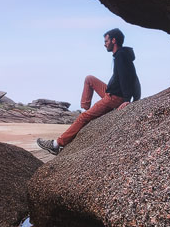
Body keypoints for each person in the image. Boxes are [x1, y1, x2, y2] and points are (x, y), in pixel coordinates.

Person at [37, 28, 140, 156]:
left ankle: (56, 145)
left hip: (114, 98)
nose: (104, 44)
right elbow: (134, 77)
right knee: (89, 79)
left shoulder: (120, 56)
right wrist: (135, 98)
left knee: (83, 118)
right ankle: (86, 108)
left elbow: (128, 77)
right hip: (111, 92)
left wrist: (126, 101)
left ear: (114, 40)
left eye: (106, 41)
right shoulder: (122, 54)